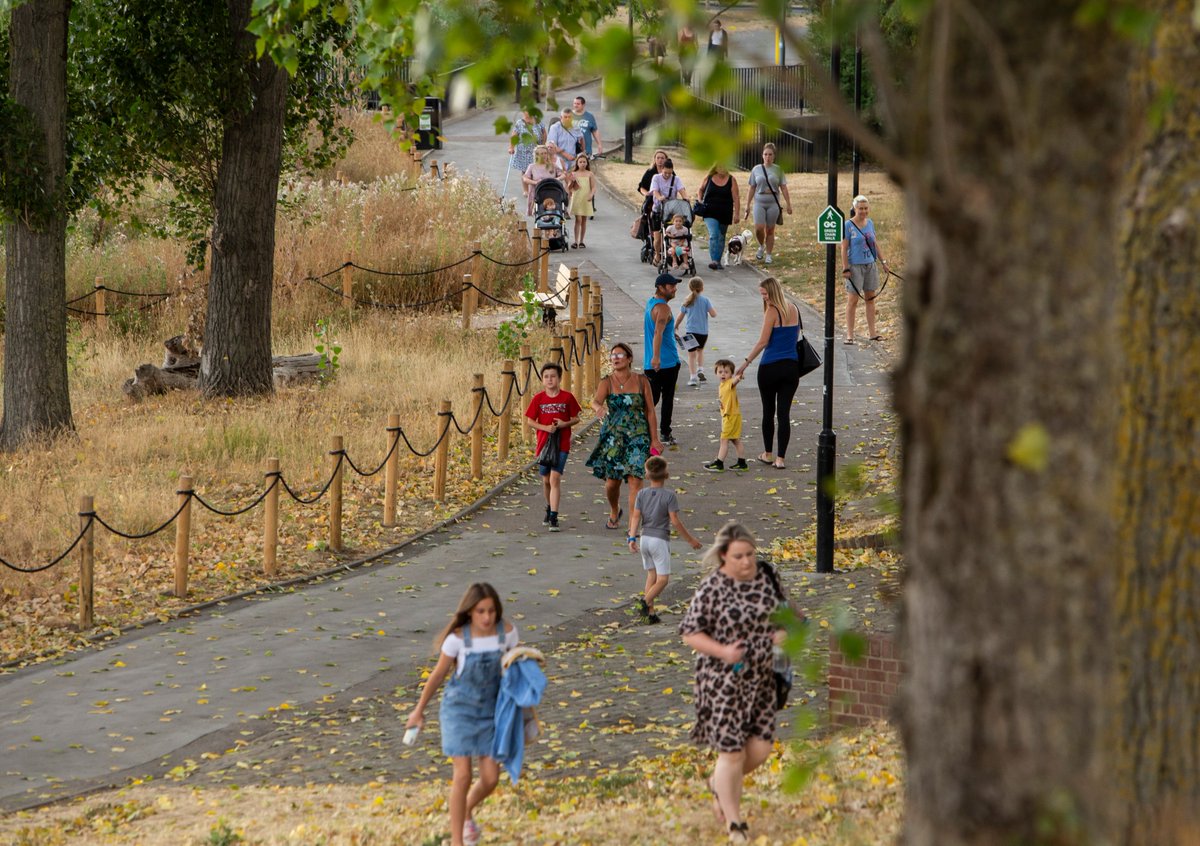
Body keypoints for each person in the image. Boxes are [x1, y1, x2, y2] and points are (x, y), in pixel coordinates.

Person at [679, 522, 794, 843]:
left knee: (759, 748)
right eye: (739, 556)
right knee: (731, 754)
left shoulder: (767, 581)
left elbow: (786, 618)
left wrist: (782, 634)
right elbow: (690, 632)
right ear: (723, 558)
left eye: (751, 555)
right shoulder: (712, 588)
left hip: (762, 679)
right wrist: (723, 651)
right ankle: (735, 824)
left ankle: (719, 784)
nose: (746, 562)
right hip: (722, 682)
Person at [406, 583, 519, 846]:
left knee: (491, 778)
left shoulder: (508, 633)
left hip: (492, 711)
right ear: (470, 612)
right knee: (463, 775)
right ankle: (457, 841)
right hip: (459, 710)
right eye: (481, 611)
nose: (487, 617)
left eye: (491, 611)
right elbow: (437, 677)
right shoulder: (457, 639)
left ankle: (466, 810)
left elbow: (516, 671)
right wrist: (418, 711)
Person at [586, 342, 663, 531]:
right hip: (613, 437)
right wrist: (599, 408)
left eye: (620, 355)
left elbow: (650, 411)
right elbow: (595, 401)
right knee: (612, 483)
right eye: (613, 355)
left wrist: (654, 438)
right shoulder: (607, 382)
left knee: (635, 481)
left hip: (638, 436)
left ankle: (633, 527)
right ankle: (614, 510)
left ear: (629, 359)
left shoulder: (642, 380)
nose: (615, 358)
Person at [627, 455, 702, 623]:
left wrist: (632, 537)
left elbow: (635, 516)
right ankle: (644, 603)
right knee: (663, 580)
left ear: (647, 475)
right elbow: (674, 520)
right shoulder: (669, 496)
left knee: (651, 576)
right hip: (659, 540)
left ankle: (650, 614)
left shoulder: (641, 494)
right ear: (666, 474)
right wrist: (690, 540)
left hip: (644, 538)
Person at [735, 277, 800, 469]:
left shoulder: (772, 311)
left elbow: (763, 341)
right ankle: (781, 458)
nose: (763, 297)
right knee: (784, 414)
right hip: (791, 367)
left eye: (765, 293)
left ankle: (768, 453)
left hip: (770, 367)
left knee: (768, 412)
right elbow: (794, 336)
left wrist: (745, 363)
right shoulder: (794, 308)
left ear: (773, 291)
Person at [524, 362, 581, 533]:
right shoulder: (538, 399)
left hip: (561, 444)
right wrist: (545, 428)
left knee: (555, 478)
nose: (550, 379)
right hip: (544, 444)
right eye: (546, 377)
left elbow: (576, 417)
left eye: (553, 376)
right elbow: (530, 420)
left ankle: (554, 517)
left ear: (559, 378)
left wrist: (565, 424)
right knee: (546, 480)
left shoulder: (567, 397)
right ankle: (549, 507)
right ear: (542, 380)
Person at [842, 194, 891, 343]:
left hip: (870, 264)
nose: (863, 211)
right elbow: (843, 248)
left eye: (865, 208)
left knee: (870, 299)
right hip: (855, 266)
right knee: (853, 300)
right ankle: (850, 335)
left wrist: (883, 261)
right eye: (860, 208)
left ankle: (872, 333)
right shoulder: (848, 225)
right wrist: (846, 268)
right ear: (854, 209)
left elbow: (875, 243)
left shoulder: (870, 223)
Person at [645, 273, 682, 446]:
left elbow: (659, 329)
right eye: (671, 286)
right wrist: (657, 357)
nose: (675, 289)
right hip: (665, 362)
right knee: (664, 398)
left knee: (652, 398)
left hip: (651, 361)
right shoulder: (663, 309)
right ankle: (665, 433)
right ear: (661, 288)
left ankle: (644, 431)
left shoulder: (650, 303)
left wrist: (671, 334)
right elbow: (657, 332)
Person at [743, 142, 792, 266]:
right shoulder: (756, 169)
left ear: (774, 156)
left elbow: (784, 188)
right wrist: (747, 205)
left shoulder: (778, 170)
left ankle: (769, 254)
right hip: (759, 201)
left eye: (770, 154)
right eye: (765, 154)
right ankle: (761, 246)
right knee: (759, 228)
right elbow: (752, 188)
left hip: (773, 202)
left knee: (770, 230)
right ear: (762, 156)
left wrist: (788, 204)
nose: (767, 157)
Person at [703, 359, 749, 472]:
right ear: (716, 373)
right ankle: (742, 463)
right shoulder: (722, 385)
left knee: (724, 440)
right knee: (735, 440)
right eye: (720, 372)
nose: (723, 374)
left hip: (731, 416)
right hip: (730, 416)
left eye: (726, 372)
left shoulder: (729, 384)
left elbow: (735, 381)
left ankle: (719, 463)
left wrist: (739, 377)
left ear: (731, 374)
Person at [697, 164, 739, 270]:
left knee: (721, 236)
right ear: (715, 167)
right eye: (720, 166)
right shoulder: (709, 178)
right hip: (710, 211)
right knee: (714, 234)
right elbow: (700, 189)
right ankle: (714, 261)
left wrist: (737, 214)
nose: (722, 168)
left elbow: (736, 198)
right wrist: (700, 199)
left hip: (725, 212)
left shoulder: (731, 180)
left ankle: (718, 261)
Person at [677, 276, 716, 386]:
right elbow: (713, 314)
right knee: (700, 350)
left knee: (691, 355)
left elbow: (680, 317)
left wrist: (675, 326)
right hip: (703, 332)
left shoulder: (687, 301)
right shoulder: (705, 300)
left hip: (690, 332)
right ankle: (700, 369)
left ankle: (693, 378)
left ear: (690, 287)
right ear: (702, 288)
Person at [650, 158, 688, 265]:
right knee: (657, 238)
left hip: (671, 212)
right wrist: (660, 197)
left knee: (674, 231)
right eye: (665, 172)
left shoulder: (676, 179)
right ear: (662, 169)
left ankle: (676, 255)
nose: (667, 175)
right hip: (658, 210)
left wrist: (686, 198)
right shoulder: (656, 178)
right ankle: (657, 254)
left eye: (669, 173)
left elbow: (682, 190)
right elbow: (655, 191)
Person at [638, 149, 669, 263]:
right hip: (653, 200)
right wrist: (647, 194)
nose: (660, 160)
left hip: (666, 202)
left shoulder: (669, 172)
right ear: (655, 159)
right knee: (649, 213)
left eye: (662, 158)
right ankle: (651, 237)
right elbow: (641, 187)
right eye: (658, 158)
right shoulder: (651, 172)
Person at [521, 145, 563, 216]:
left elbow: (562, 174)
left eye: (545, 153)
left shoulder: (552, 165)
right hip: (537, 191)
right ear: (537, 155)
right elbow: (525, 178)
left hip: (551, 191)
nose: (544, 155)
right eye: (541, 154)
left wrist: (557, 179)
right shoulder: (532, 166)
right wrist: (535, 182)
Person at [567, 154, 595, 248]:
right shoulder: (574, 173)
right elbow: (569, 188)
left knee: (584, 220)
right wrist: (572, 181)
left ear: (587, 163)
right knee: (578, 219)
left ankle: (582, 241)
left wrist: (591, 194)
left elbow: (593, 187)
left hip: (586, 199)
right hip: (577, 198)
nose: (582, 164)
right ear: (577, 163)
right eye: (580, 162)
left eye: (584, 162)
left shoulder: (590, 174)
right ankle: (576, 241)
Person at [507, 109, 544, 177]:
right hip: (524, 152)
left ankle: (536, 186)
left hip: (537, 151)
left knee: (537, 171)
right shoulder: (519, 123)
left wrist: (543, 145)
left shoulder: (538, 121)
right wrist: (511, 148)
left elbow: (544, 133)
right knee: (525, 173)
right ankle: (526, 188)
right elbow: (514, 136)